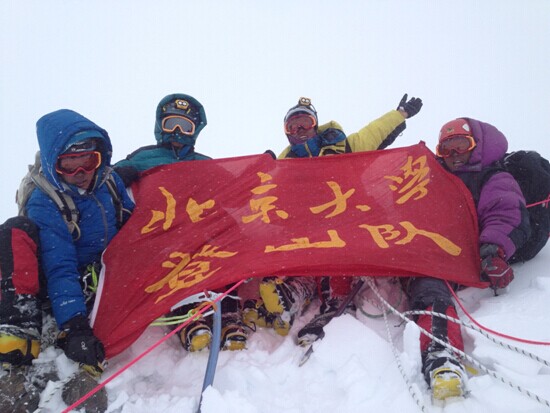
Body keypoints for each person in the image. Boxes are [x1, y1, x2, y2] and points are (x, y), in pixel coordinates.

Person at [246, 94, 423, 343]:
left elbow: (374, 133)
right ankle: (292, 295)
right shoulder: (286, 166)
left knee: (335, 252)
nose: (299, 130)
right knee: (301, 255)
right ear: (286, 132)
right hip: (310, 229)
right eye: (292, 126)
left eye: (304, 123)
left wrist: (400, 114)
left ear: (315, 125)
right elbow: (263, 201)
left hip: (352, 221)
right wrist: (263, 171)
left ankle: (334, 302)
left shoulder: (344, 147)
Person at [0, 109, 134, 409]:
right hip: (56, 280)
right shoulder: (46, 200)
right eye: (68, 165)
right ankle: (19, 329)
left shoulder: (109, 185)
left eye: (88, 162)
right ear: (52, 165)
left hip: (97, 273)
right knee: (13, 230)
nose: (81, 173)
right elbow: (59, 264)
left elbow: (134, 222)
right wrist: (74, 325)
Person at [403, 117, 531, 399]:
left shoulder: (493, 177)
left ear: (476, 146)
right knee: (426, 287)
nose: (454, 155)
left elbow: (505, 211)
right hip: (434, 253)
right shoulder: (435, 180)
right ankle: (439, 352)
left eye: (461, 146)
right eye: (446, 149)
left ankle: (443, 357)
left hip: (473, 256)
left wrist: (493, 251)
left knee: (431, 289)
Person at [114, 93, 248, 353]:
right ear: (159, 126)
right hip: (162, 230)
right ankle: (187, 314)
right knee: (172, 259)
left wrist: (261, 173)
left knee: (232, 243)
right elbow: (107, 183)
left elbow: (236, 190)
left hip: (200, 227)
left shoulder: (205, 164)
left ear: (195, 131)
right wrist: (119, 173)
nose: (177, 132)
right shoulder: (144, 157)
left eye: (185, 126)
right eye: (171, 124)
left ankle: (229, 310)